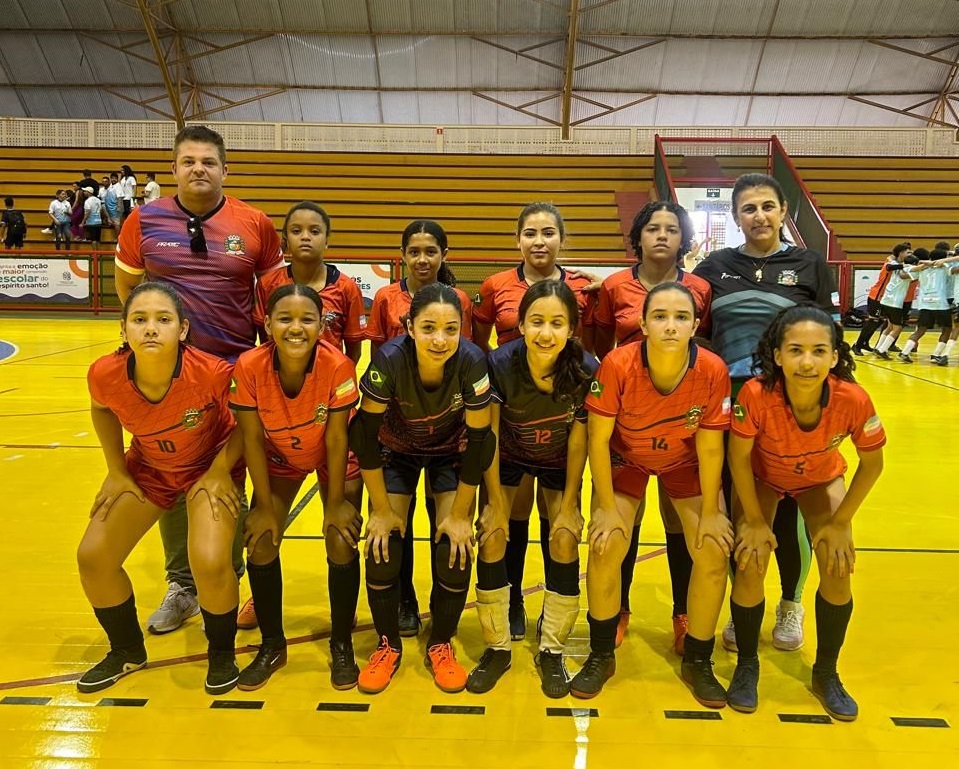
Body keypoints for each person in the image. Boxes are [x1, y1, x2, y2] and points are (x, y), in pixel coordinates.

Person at [115, 124, 284, 636]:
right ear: (173, 169)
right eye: (188, 161)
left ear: (225, 168)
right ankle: (182, 585)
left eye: (208, 161)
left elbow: (275, 295)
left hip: (233, 373)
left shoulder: (254, 223)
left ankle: (226, 575)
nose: (198, 169)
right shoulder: (143, 220)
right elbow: (129, 286)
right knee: (172, 474)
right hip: (165, 379)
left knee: (229, 476)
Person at [693, 172, 839, 654]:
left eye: (767, 206)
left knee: (789, 512)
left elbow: (828, 338)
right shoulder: (716, 266)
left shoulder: (810, 264)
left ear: (784, 212)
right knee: (743, 509)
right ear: (736, 217)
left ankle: (791, 602)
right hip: (732, 406)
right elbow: (699, 329)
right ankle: (744, 604)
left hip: (792, 404)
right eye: (748, 208)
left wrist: (828, 404)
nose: (759, 215)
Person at [76, 282, 246, 695]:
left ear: (183, 330)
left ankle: (221, 654)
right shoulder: (104, 373)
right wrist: (117, 469)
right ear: (124, 330)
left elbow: (247, 420)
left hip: (208, 468)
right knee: (94, 557)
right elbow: (101, 409)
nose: (151, 328)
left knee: (207, 559)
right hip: (149, 468)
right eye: (140, 319)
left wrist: (222, 468)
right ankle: (127, 651)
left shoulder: (212, 373)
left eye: (163, 319)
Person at [571, 281, 732, 701]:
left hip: (684, 462)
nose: (670, 326)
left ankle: (699, 659)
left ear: (696, 325)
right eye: (660, 316)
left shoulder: (712, 369)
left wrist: (714, 510)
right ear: (642, 323)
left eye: (681, 317)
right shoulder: (618, 364)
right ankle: (601, 653)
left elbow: (712, 446)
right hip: (628, 458)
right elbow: (598, 441)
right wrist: (605, 507)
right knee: (606, 545)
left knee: (713, 551)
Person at [727, 304, 885, 720]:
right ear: (777, 355)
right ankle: (747, 664)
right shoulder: (756, 395)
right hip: (764, 478)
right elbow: (739, 459)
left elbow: (873, 464)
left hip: (819, 478)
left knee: (837, 563)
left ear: (835, 356)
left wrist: (840, 523)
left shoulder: (853, 398)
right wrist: (755, 521)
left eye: (819, 351)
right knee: (750, 558)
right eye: (795, 350)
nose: (807, 361)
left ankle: (826, 673)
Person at [348, 283, 501, 694]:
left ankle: (440, 644)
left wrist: (459, 515)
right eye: (429, 327)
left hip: (449, 453)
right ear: (410, 327)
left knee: (456, 548)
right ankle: (387, 645)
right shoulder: (388, 360)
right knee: (382, 546)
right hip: (396, 451)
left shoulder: (472, 362)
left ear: (462, 330)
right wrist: (379, 509)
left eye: (450, 329)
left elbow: (481, 441)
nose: (440, 339)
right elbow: (364, 434)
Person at [471, 202, 596, 642]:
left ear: (572, 327)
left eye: (557, 323)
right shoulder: (499, 362)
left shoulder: (585, 368)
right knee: (499, 526)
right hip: (512, 446)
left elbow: (581, 441)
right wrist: (494, 502)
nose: (546, 332)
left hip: (559, 452)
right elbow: (488, 434)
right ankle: (506, 623)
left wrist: (572, 501)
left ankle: (554, 638)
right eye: (536, 322)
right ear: (521, 324)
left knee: (562, 531)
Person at [594, 199, 713, 654]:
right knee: (625, 519)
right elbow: (598, 343)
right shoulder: (615, 286)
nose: (662, 235)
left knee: (679, 519)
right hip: (627, 422)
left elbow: (704, 348)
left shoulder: (701, 287)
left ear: (684, 239)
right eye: (652, 228)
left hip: (681, 419)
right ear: (638, 237)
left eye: (672, 229)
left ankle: (683, 612)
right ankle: (619, 608)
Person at [231, 283, 364, 691]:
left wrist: (337, 502)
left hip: (332, 454)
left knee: (341, 538)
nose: (296, 327)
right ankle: (273, 645)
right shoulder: (249, 366)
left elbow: (338, 438)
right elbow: (251, 438)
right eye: (285, 318)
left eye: (307, 319)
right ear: (267, 323)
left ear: (321, 325)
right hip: (278, 457)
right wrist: (265, 507)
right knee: (262, 538)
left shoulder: (337, 365)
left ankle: (341, 643)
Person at [365, 219, 473, 637]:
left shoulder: (458, 298)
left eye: (431, 250)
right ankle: (405, 599)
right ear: (403, 255)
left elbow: (468, 354)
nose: (423, 258)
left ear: (444, 255)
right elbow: (380, 356)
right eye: (415, 251)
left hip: (447, 427)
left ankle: (439, 606)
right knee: (396, 523)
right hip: (398, 425)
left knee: (442, 521)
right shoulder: (386, 298)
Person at [253, 201, 366, 365]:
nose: (305, 237)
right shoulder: (267, 285)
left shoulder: (347, 288)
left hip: (329, 381)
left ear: (326, 240)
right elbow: (264, 341)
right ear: (286, 239)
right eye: (296, 231)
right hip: (279, 381)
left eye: (314, 231)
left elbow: (354, 350)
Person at [898, 247, 959, 365]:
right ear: (943, 259)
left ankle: (905, 352)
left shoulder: (922, 269)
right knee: (947, 329)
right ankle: (936, 354)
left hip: (925, 303)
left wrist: (907, 266)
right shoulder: (945, 267)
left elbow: (903, 276)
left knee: (921, 329)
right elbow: (955, 270)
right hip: (940, 303)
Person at [851, 243, 911, 356]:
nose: (910, 255)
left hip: (886, 298)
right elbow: (890, 265)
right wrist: (905, 265)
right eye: (908, 252)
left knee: (880, 321)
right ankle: (857, 345)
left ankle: (866, 343)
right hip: (877, 296)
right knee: (873, 321)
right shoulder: (891, 263)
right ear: (901, 253)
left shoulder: (898, 263)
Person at [871, 249, 921, 360]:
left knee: (889, 326)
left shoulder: (896, 265)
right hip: (894, 303)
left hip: (885, 300)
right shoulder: (909, 270)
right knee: (897, 328)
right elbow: (904, 275)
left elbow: (891, 260)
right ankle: (882, 350)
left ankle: (878, 347)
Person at [82, 187, 103, 252]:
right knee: (98, 239)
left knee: (93, 239)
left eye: (85, 191)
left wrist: (83, 222)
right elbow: (101, 210)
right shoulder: (98, 200)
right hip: (99, 221)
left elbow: (87, 212)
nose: (84, 192)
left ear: (89, 192)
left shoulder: (87, 201)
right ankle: (99, 253)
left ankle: (95, 254)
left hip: (91, 222)